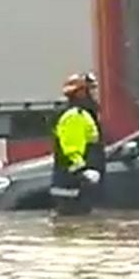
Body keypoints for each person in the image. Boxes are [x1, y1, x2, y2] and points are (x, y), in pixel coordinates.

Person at [50, 73, 102, 216]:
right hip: (72, 186)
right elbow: (72, 149)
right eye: (90, 90)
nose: (94, 94)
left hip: (76, 184)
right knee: (75, 225)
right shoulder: (75, 116)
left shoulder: (83, 114)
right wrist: (83, 171)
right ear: (79, 93)